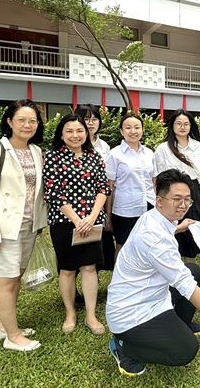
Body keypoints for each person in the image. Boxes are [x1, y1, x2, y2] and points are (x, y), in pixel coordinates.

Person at [106, 169, 200, 377]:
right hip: (132, 313)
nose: (183, 205)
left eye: (187, 199)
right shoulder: (154, 238)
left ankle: (182, 325)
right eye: (176, 199)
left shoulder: (154, 217)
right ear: (159, 201)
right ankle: (123, 347)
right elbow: (184, 284)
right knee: (185, 351)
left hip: (153, 295)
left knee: (193, 270)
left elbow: (164, 236)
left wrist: (179, 227)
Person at [0, 99, 47, 352]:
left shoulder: (36, 151)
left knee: (15, 277)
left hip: (28, 226)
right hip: (3, 228)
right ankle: (12, 336)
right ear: (9, 122)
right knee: (5, 282)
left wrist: (39, 222)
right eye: (22, 120)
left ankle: (4, 326)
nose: (27, 125)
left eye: (32, 121)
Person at [43, 113, 111, 335]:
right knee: (68, 268)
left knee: (90, 266)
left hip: (92, 221)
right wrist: (76, 219)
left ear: (87, 133)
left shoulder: (95, 157)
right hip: (64, 221)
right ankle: (70, 312)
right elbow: (52, 192)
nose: (75, 135)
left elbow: (103, 188)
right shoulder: (53, 157)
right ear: (61, 134)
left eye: (80, 130)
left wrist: (91, 217)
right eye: (69, 131)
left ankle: (91, 315)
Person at [154, 109, 200, 263]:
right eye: (178, 123)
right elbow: (158, 177)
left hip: (192, 192)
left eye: (186, 124)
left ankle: (190, 266)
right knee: (173, 226)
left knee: (191, 228)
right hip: (171, 192)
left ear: (191, 126)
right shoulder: (163, 149)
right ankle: (172, 264)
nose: (182, 127)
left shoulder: (199, 148)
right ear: (172, 126)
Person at [105, 112, 157, 261]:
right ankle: (120, 280)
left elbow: (153, 182)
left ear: (142, 130)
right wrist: (108, 215)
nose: (133, 131)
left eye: (137, 127)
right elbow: (109, 187)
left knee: (146, 243)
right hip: (125, 208)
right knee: (123, 244)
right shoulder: (114, 155)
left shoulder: (149, 153)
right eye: (128, 128)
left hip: (148, 205)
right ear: (121, 131)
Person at [75, 104, 115, 273]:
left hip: (98, 201)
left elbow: (107, 181)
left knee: (97, 247)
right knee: (75, 248)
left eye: (94, 119)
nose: (91, 123)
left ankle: (92, 279)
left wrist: (107, 212)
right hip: (75, 202)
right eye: (86, 119)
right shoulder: (72, 143)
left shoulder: (104, 147)